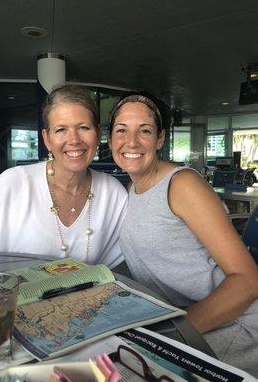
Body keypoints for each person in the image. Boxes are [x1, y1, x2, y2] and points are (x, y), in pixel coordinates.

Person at [108, 92, 258, 375]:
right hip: (186, 323)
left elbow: (248, 282)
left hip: (233, 328)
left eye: (145, 131)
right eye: (122, 130)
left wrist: (169, 336)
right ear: (111, 138)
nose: (132, 142)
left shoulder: (182, 184)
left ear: (160, 139)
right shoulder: (133, 188)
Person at [0, 85, 127, 268]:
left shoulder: (113, 194)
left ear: (98, 135)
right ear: (46, 139)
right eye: (61, 130)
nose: (74, 139)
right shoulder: (12, 184)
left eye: (83, 127)